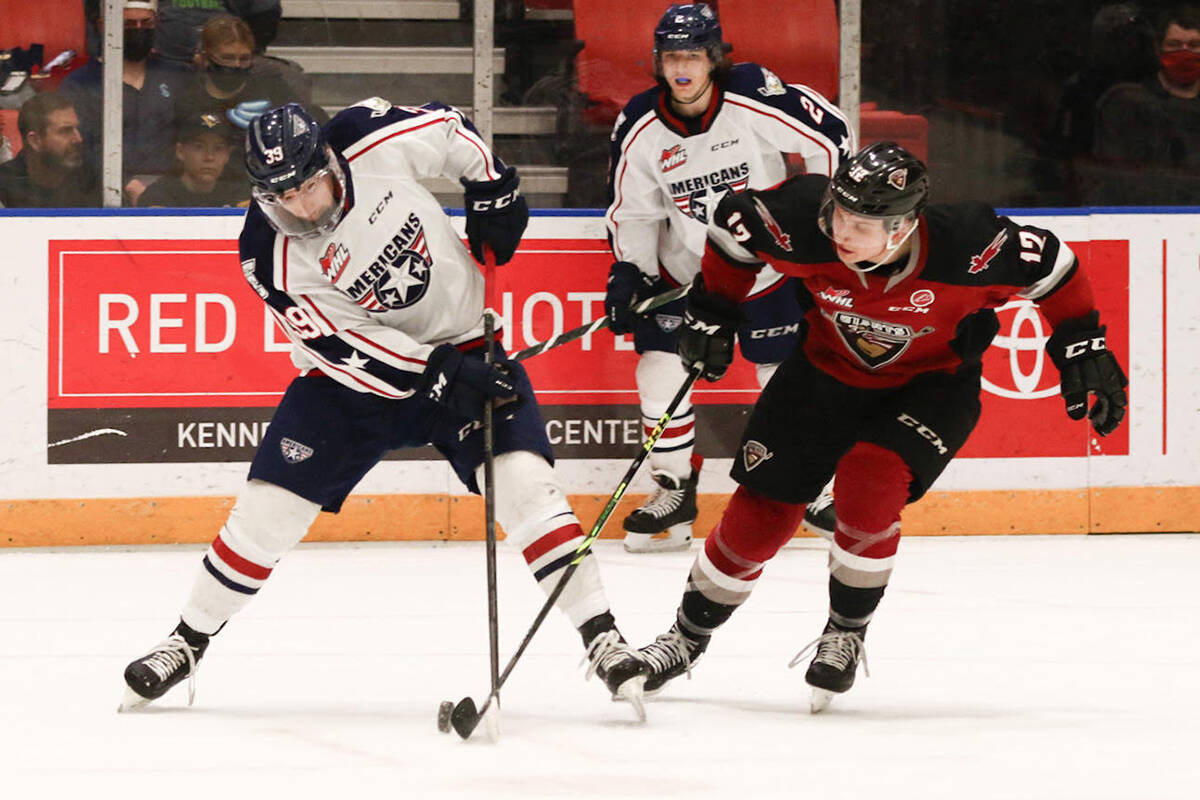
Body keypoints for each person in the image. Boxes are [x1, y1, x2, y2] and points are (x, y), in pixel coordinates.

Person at [118, 99, 649, 718]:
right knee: (267, 514)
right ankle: (186, 641)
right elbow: (346, 347)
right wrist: (442, 375)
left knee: (530, 490)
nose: (299, 207)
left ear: (328, 160)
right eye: (280, 195)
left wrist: (493, 188)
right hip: (351, 386)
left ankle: (603, 637)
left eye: (307, 186)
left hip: (464, 345)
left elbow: (452, 131)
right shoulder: (267, 252)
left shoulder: (367, 135)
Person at [635, 141, 1128, 712]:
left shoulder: (968, 246)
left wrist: (1080, 340)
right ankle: (685, 638)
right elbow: (733, 229)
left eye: (861, 224)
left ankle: (845, 630)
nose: (842, 232)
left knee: (867, 485)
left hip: (933, 387)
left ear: (902, 227)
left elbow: (1055, 265)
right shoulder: (802, 221)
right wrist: (714, 307)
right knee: (762, 513)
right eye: (838, 214)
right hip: (821, 377)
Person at [603, 3, 853, 552]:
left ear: (714, 58)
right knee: (659, 372)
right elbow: (634, 211)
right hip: (689, 272)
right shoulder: (642, 123)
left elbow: (831, 138)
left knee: (786, 376)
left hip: (763, 269)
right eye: (671, 57)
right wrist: (632, 271)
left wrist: (817, 221)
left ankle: (814, 486)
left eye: (692, 55)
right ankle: (674, 492)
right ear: (659, 63)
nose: (681, 68)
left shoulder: (752, 96)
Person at [61, 0, 189, 206]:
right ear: (104, 26)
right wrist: (124, 183)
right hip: (102, 195)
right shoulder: (80, 85)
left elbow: (190, 136)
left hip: (173, 194)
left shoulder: (177, 76)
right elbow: (80, 148)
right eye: (129, 25)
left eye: (145, 24)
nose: (138, 30)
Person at [174, 15, 325, 183]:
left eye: (244, 59)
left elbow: (304, 121)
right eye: (227, 58)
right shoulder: (189, 96)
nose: (237, 65)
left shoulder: (270, 86)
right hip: (209, 184)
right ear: (205, 57)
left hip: (266, 179)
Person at [1088, 3, 1200, 203]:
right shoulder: (1126, 104)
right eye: (1174, 45)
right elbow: (1115, 180)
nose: (1185, 53)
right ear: (1158, 48)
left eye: (1194, 45)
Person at [0, 93, 100, 208]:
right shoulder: (4, 186)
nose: (78, 139)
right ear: (35, 141)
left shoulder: (90, 178)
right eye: (65, 131)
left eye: (76, 129)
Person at [136, 111, 246, 207]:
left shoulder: (240, 197)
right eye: (199, 147)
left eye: (218, 148)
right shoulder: (159, 196)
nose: (209, 157)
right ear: (181, 152)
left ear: (227, 155)